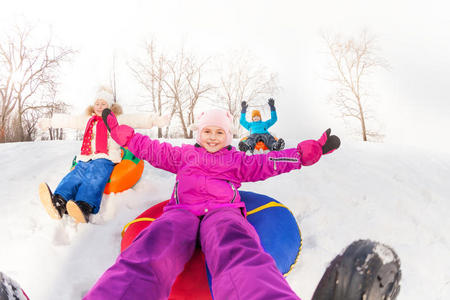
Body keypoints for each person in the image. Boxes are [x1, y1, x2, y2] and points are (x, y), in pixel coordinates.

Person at [83, 108, 340, 299]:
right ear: (199, 133)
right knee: (154, 245)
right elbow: (152, 149)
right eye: (207, 131)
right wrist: (123, 136)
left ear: (228, 136)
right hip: (181, 212)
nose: (213, 137)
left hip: (222, 213)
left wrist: (303, 154)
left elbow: (268, 162)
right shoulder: (184, 155)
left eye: (219, 132)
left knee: (236, 246)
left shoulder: (237, 161)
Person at [37, 86, 168, 223]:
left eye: (103, 104)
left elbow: (135, 119)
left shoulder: (116, 119)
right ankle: (59, 201)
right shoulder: (88, 120)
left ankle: (84, 206)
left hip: (105, 158)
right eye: (97, 104)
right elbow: (71, 121)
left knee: (95, 176)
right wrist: (50, 122)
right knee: (74, 175)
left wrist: (154, 120)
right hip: (86, 157)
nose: (99, 107)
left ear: (110, 106)